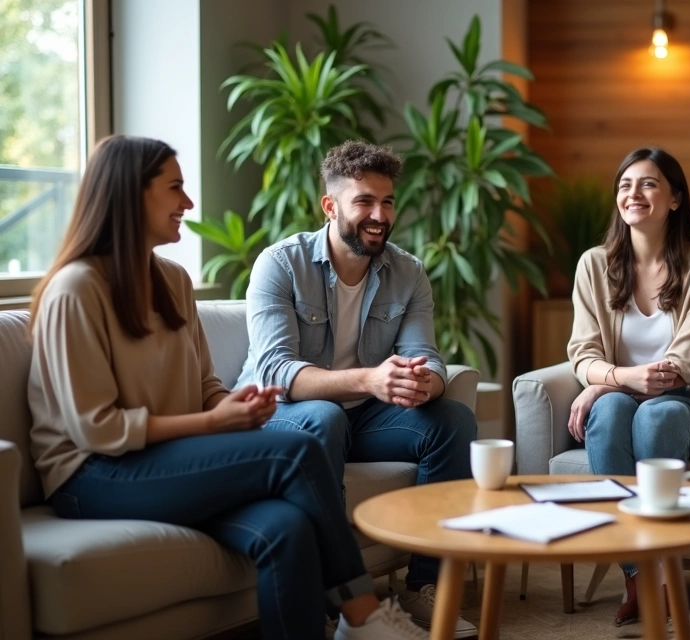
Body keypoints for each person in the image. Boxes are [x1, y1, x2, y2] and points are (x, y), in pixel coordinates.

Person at [27, 135, 428, 640]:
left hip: (166, 458)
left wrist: (235, 405)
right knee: (296, 452)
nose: (188, 204)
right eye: (175, 188)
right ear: (130, 195)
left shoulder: (172, 281)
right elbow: (96, 429)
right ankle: (364, 615)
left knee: (288, 529)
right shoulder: (75, 289)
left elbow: (204, 385)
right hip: (92, 476)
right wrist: (215, 422)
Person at [237, 140, 478, 638]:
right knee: (324, 418)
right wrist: (369, 379)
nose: (379, 215)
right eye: (364, 201)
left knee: (453, 419)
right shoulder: (279, 265)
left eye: (387, 201)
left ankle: (424, 588)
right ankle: (336, 605)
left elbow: (428, 359)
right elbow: (276, 372)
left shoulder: (407, 271)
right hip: (280, 413)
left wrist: (422, 385)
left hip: (364, 417)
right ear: (331, 206)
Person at [566, 146, 690, 626]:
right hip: (622, 397)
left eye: (648, 183)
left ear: (675, 198)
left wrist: (606, 383)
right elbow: (582, 355)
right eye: (624, 184)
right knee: (614, 412)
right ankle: (640, 573)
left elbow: (687, 361)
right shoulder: (594, 264)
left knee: (654, 413)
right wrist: (614, 382)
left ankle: (660, 570)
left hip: (689, 404)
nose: (633, 193)